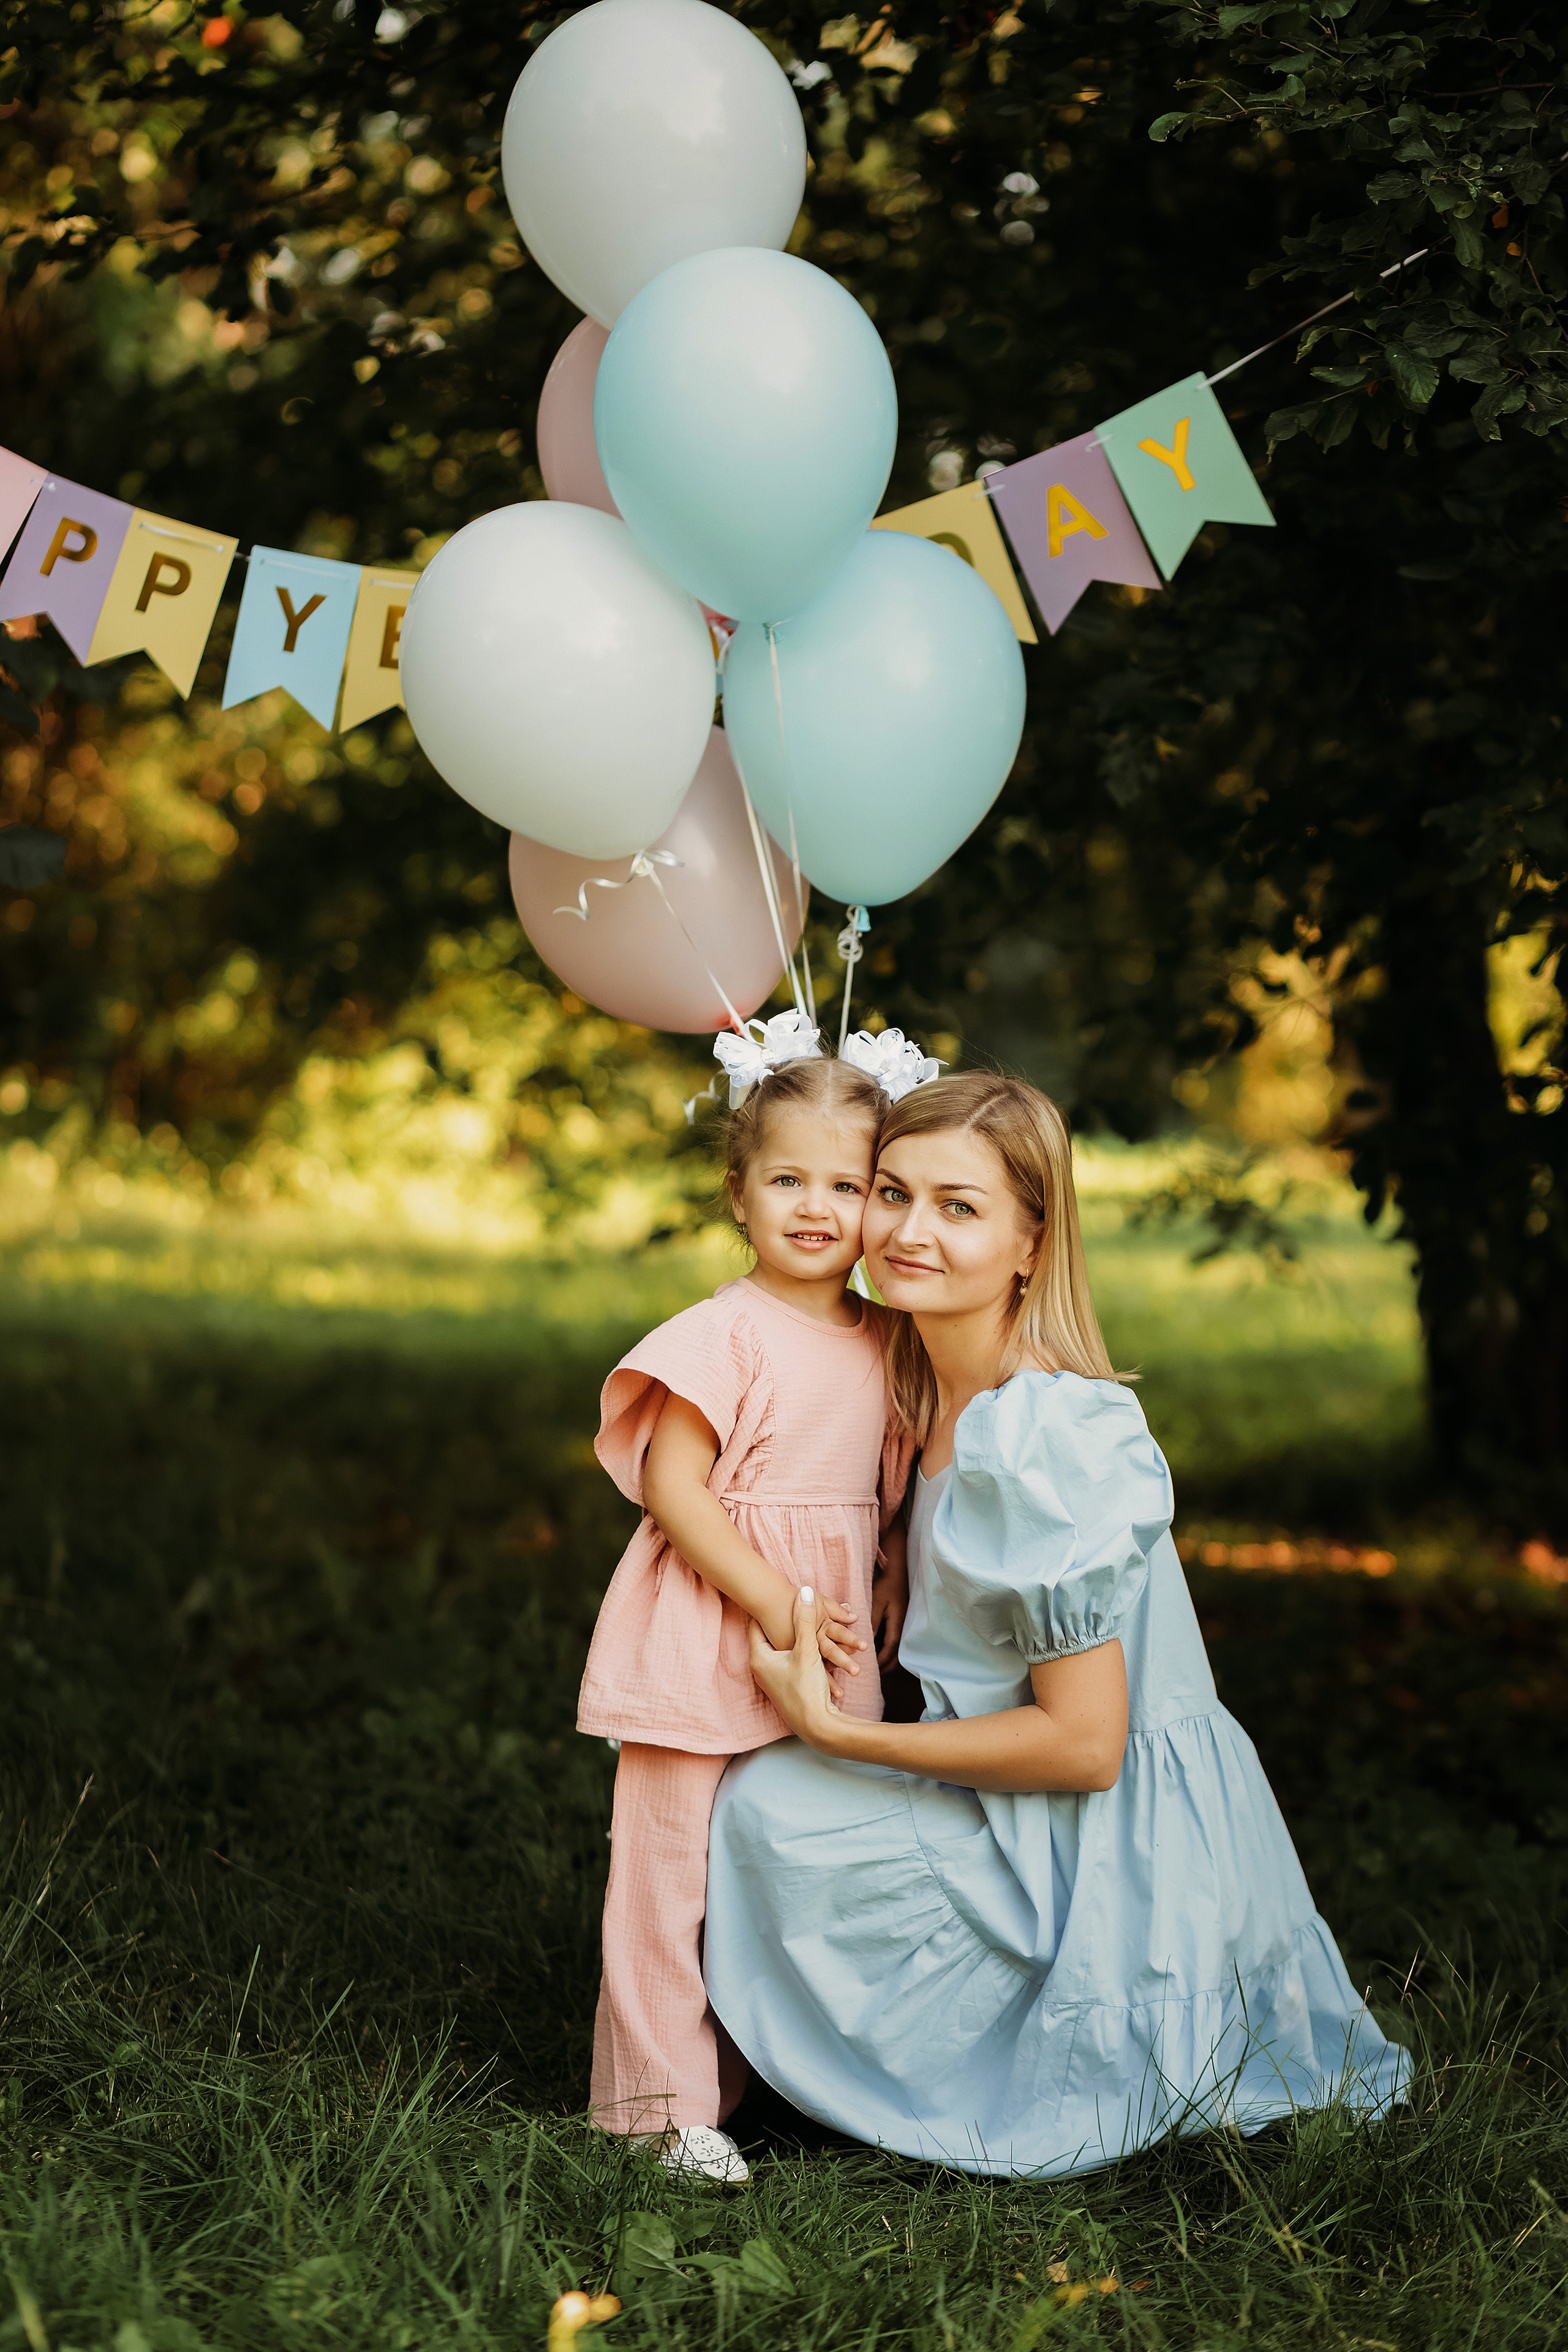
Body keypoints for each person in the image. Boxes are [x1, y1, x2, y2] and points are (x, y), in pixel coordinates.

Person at [704, 1071, 1409, 2177]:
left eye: (960, 1207)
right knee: (757, 1791)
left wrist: (850, 1740)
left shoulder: (1043, 1436)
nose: (907, 1231)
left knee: (769, 1805)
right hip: (1014, 1794)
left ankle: (940, 2065)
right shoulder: (916, 1387)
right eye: (890, 1192)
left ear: (1033, 1244)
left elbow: (1085, 1748)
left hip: (1101, 1842)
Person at [579, 1019, 918, 2185]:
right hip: (711, 1619)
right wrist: (777, 1598)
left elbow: (886, 1494)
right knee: (670, 1870)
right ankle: (657, 2111)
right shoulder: (724, 1332)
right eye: (788, 1178)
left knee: (812, 1858)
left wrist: (879, 1583)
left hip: (820, 1634)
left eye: (850, 1183)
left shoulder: (887, 1339)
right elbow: (675, 1483)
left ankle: (800, 2076)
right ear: (739, 1191)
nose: (818, 1207)